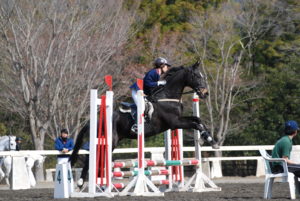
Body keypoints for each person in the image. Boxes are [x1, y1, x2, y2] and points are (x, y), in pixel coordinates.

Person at [129, 57, 171, 133]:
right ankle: (136, 125)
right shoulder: (154, 72)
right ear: (161, 65)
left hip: (142, 92)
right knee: (142, 107)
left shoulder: (157, 73)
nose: (167, 68)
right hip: (137, 91)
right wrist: (159, 83)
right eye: (166, 66)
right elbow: (147, 83)